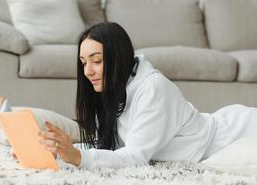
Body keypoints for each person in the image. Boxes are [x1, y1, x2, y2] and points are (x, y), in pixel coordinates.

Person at [39, 22, 257, 170]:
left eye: (96, 61)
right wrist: (54, 151)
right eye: (84, 62)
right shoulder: (109, 91)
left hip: (236, 133)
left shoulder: (152, 88)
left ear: (119, 57)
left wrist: (77, 158)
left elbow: (134, 157)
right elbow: (107, 147)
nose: (87, 71)